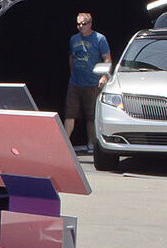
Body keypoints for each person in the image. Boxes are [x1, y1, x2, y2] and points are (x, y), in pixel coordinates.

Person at [65, 12, 111, 153]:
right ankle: (65, 143)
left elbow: (107, 59)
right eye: (78, 24)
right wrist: (72, 73)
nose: (81, 27)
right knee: (70, 114)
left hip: (92, 82)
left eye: (83, 24)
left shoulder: (99, 39)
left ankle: (91, 143)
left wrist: (104, 76)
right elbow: (72, 57)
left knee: (91, 116)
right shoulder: (74, 39)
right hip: (75, 82)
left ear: (90, 24)